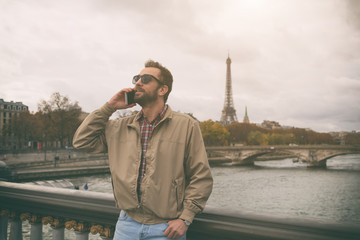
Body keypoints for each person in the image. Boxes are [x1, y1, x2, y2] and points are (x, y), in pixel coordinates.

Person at [73, 60, 213, 240]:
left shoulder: (187, 125)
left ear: (162, 90)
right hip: (126, 223)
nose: (138, 82)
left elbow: (201, 177)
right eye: (136, 78)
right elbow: (81, 141)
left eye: (145, 79)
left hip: (166, 227)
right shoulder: (119, 127)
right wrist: (110, 107)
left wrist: (185, 218)